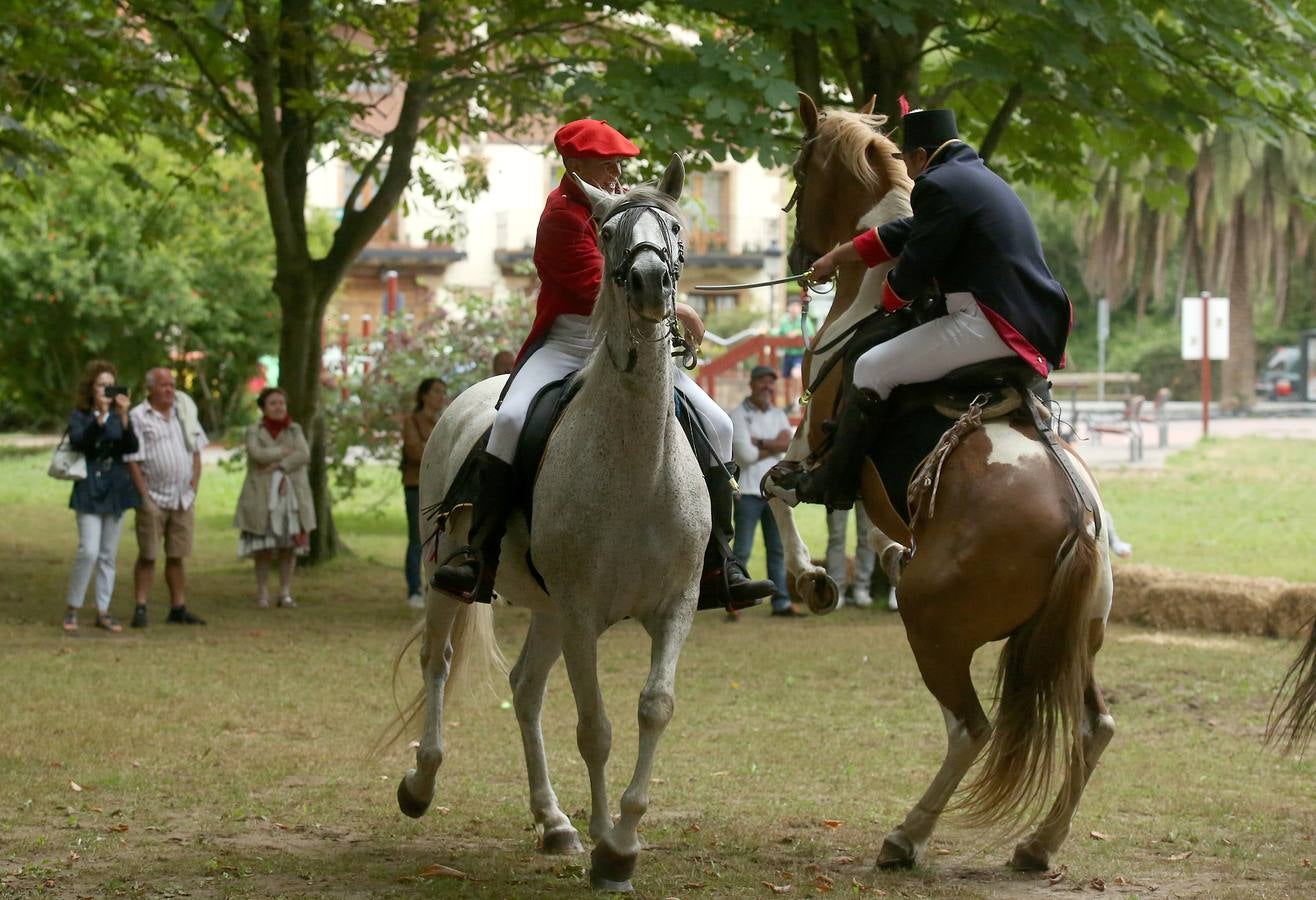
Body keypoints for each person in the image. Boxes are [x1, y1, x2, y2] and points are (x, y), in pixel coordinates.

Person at [430, 118, 774, 611]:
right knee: (507, 420)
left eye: (620, 162)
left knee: (718, 425)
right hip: (570, 341)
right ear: (575, 166)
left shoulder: (628, 206)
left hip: (635, 345)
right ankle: (478, 555)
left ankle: (720, 563)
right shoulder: (560, 217)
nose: (617, 170)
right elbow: (598, 288)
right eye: (606, 161)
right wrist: (680, 309)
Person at [772, 107, 1072, 510]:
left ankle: (833, 481)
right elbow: (907, 230)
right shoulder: (972, 178)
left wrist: (888, 300)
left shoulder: (936, 183)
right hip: (1023, 321)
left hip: (987, 322)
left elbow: (914, 267)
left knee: (870, 367)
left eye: (909, 163)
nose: (910, 174)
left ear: (918, 156)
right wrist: (838, 257)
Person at [60, 361, 141, 634]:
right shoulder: (81, 415)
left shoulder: (120, 416)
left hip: (115, 487)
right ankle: (73, 606)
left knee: (109, 554)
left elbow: (131, 447)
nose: (106, 389)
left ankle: (103, 610)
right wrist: (101, 417)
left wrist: (124, 416)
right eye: (101, 385)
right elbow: (79, 441)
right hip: (89, 486)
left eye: (110, 384)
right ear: (91, 388)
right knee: (89, 550)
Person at [124, 367, 208, 626]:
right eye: (163, 385)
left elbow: (196, 451)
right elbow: (132, 460)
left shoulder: (184, 412)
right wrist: (144, 496)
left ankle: (178, 607)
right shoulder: (138, 417)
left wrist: (193, 486)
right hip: (154, 498)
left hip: (182, 497)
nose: (170, 390)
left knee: (177, 555)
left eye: (172, 385)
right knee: (148, 554)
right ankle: (140, 607)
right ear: (150, 388)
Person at [233, 387, 316, 609]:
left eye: (282, 402)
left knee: (289, 545)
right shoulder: (254, 430)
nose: (279, 407)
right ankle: (262, 593)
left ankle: (285, 592)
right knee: (263, 547)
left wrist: (279, 464)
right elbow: (256, 454)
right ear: (263, 407)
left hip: (292, 498)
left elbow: (304, 454)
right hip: (261, 497)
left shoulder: (294, 429)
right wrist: (284, 450)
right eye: (273, 403)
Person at [729, 365, 801, 618]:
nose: (767, 387)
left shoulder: (778, 415)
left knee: (778, 548)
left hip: (774, 492)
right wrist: (775, 444)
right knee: (742, 550)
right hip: (748, 492)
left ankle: (780, 603)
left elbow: (788, 445)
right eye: (762, 381)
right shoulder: (737, 415)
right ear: (752, 384)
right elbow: (746, 456)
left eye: (771, 382)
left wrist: (759, 441)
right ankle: (734, 601)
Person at [402, 377, 447, 609]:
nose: (441, 396)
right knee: (416, 539)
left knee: (439, 539)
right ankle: (414, 589)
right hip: (416, 486)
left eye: (443, 392)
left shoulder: (444, 422)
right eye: (436, 391)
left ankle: (435, 587)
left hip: (440, 487)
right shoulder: (412, 421)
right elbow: (414, 451)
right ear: (424, 395)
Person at [825, 507, 877, 610]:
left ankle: (862, 588)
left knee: (867, 536)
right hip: (838, 491)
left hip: (866, 491)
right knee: (836, 536)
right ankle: (836, 589)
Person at [773, 295, 814, 408]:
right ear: (788, 308)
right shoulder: (785, 321)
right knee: (786, 380)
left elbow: (811, 334)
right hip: (788, 354)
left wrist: (797, 332)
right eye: (792, 306)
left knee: (796, 375)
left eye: (797, 306)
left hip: (800, 354)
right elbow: (779, 334)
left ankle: (796, 399)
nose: (794, 308)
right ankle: (791, 403)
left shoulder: (805, 319)